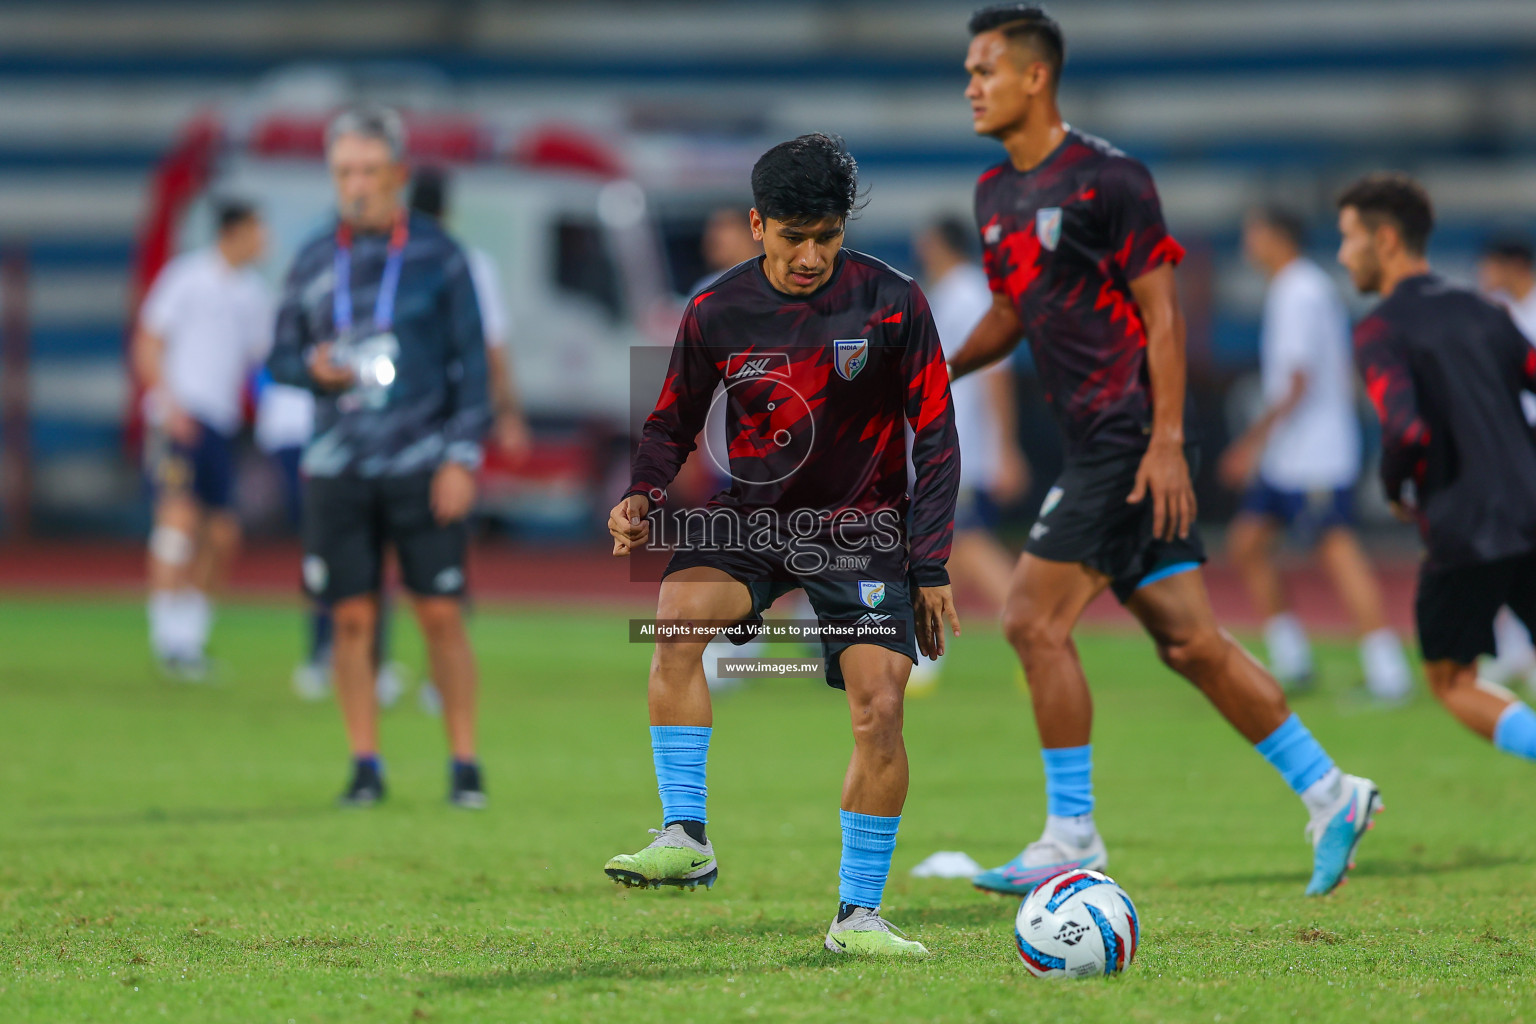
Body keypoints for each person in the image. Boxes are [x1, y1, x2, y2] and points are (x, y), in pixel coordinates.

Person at [949, 4, 1378, 898]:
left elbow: (1163, 314)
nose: (970, 85)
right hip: (1097, 441)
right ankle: (1333, 792)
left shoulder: (1111, 179)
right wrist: (937, 368)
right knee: (1191, 644)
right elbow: (1009, 312)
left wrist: (1170, 441)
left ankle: (1071, 835)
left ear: (1036, 76)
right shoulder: (995, 196)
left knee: (1031, 619)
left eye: (985, 69)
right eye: (968, 70)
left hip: (1128, 438)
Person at [605, 134, 960, 955]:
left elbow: (936, 438)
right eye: (793, 236)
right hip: (754, 518)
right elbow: (670, 420)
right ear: (757, 224)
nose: (809, 255)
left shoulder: (894, 302)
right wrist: (643, 490)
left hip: (863, 528)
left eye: (826, 237)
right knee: (675, 617)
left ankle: (857, 916)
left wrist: (931, 562)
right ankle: (686, 837)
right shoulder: (717, 310)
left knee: (880, 710)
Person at [266, 107, 491, 808]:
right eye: (343, 172)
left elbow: (472, 365)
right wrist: (314, 367)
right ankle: (365, 764)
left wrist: (461, 457)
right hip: (337, 467)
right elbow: (277, 358)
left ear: (397, 173)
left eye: (368, 170)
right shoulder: (309, 258)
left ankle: (464, 765)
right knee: (352, 618)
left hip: (422, 465)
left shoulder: (440, 257)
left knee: (441, 615)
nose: (355, 184)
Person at [1338, 173, 1536, 766]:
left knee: (1452, 681)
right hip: (1531, 507)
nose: (1344, 254)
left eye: (1350, 238)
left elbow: (1406, 429)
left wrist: (1394, 486)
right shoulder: (1487, 312)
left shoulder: (1379, 332)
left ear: (1387, 239)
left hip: (1464, 524)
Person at [1220, 206, 1412, 701]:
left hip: (1315, 453)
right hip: (1295, 453)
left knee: (1337, 548)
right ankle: (1293, 660)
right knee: (1247, 543)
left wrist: (1250, 442)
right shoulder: (1300, 288)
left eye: (1253, 234)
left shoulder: (1299, 292)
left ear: (1275, 235)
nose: (1248, 246)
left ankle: (1388, 670)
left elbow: (1297, 381)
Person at [133, 199, 272, 679]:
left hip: (222, 423)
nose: (265, 242)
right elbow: (148, 343)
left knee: (223, 534)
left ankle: (190, 635)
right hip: (180, 419)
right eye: (260, 230)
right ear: (237, 231)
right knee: (177, 521)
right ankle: (166, 636)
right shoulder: (187, 278)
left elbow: (262, 364)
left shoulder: (253, 294)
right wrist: (168, 404)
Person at [906, 213, 1030, 694]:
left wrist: (1004, 448)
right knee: (941, 552)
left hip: (963, 445)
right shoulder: (952, 294)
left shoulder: (968, 296)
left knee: (971, 546)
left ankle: (1038, 633)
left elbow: (996, 374)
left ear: (939, 244)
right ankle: (926, 655)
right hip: (947, 441)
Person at [253, 371, 404, 708]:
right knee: (322, 550)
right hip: (300, 435)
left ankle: (374, 658)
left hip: (366, 431)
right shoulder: (297, 320)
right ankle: (322, 652)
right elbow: (276, 361)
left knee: (376, 543)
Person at [1475, 235, 1536, 693]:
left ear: (1511, 263)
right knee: (1504, 543)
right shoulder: (1499, 312)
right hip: (1509, 444)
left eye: (1488, 264)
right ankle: (1515, 651)